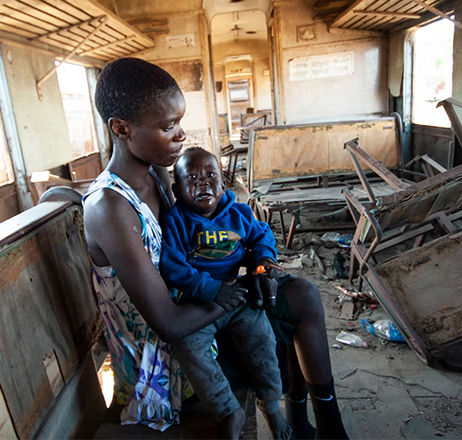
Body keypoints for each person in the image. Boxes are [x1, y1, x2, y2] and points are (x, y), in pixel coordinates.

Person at [82, 57, 350, 440]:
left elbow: (198, 232)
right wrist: (236, 294)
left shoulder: (157, 174)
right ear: (121, 128)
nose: (180, 135)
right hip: (164, 348)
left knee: (299, 294)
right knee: (272, 317)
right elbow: (168, 323)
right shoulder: (109, 206)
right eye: (168, 125)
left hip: (198, 305)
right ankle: (280, 412)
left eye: (179, 121)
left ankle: (318, 424)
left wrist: (261, 267)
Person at [159, 147, 291, 440]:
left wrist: (264, 261)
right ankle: (228, 410)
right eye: (191, 177)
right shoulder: (177, 221)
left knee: (263, 339)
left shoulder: (240, 213)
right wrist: (210, 289)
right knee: (189, 348)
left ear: (223, 183)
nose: (203, 183)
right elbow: (172, 266)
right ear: (177, 190)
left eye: (210, 175)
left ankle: (270, 403)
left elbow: (262, 236)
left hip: (238, 295)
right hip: (198, 304)